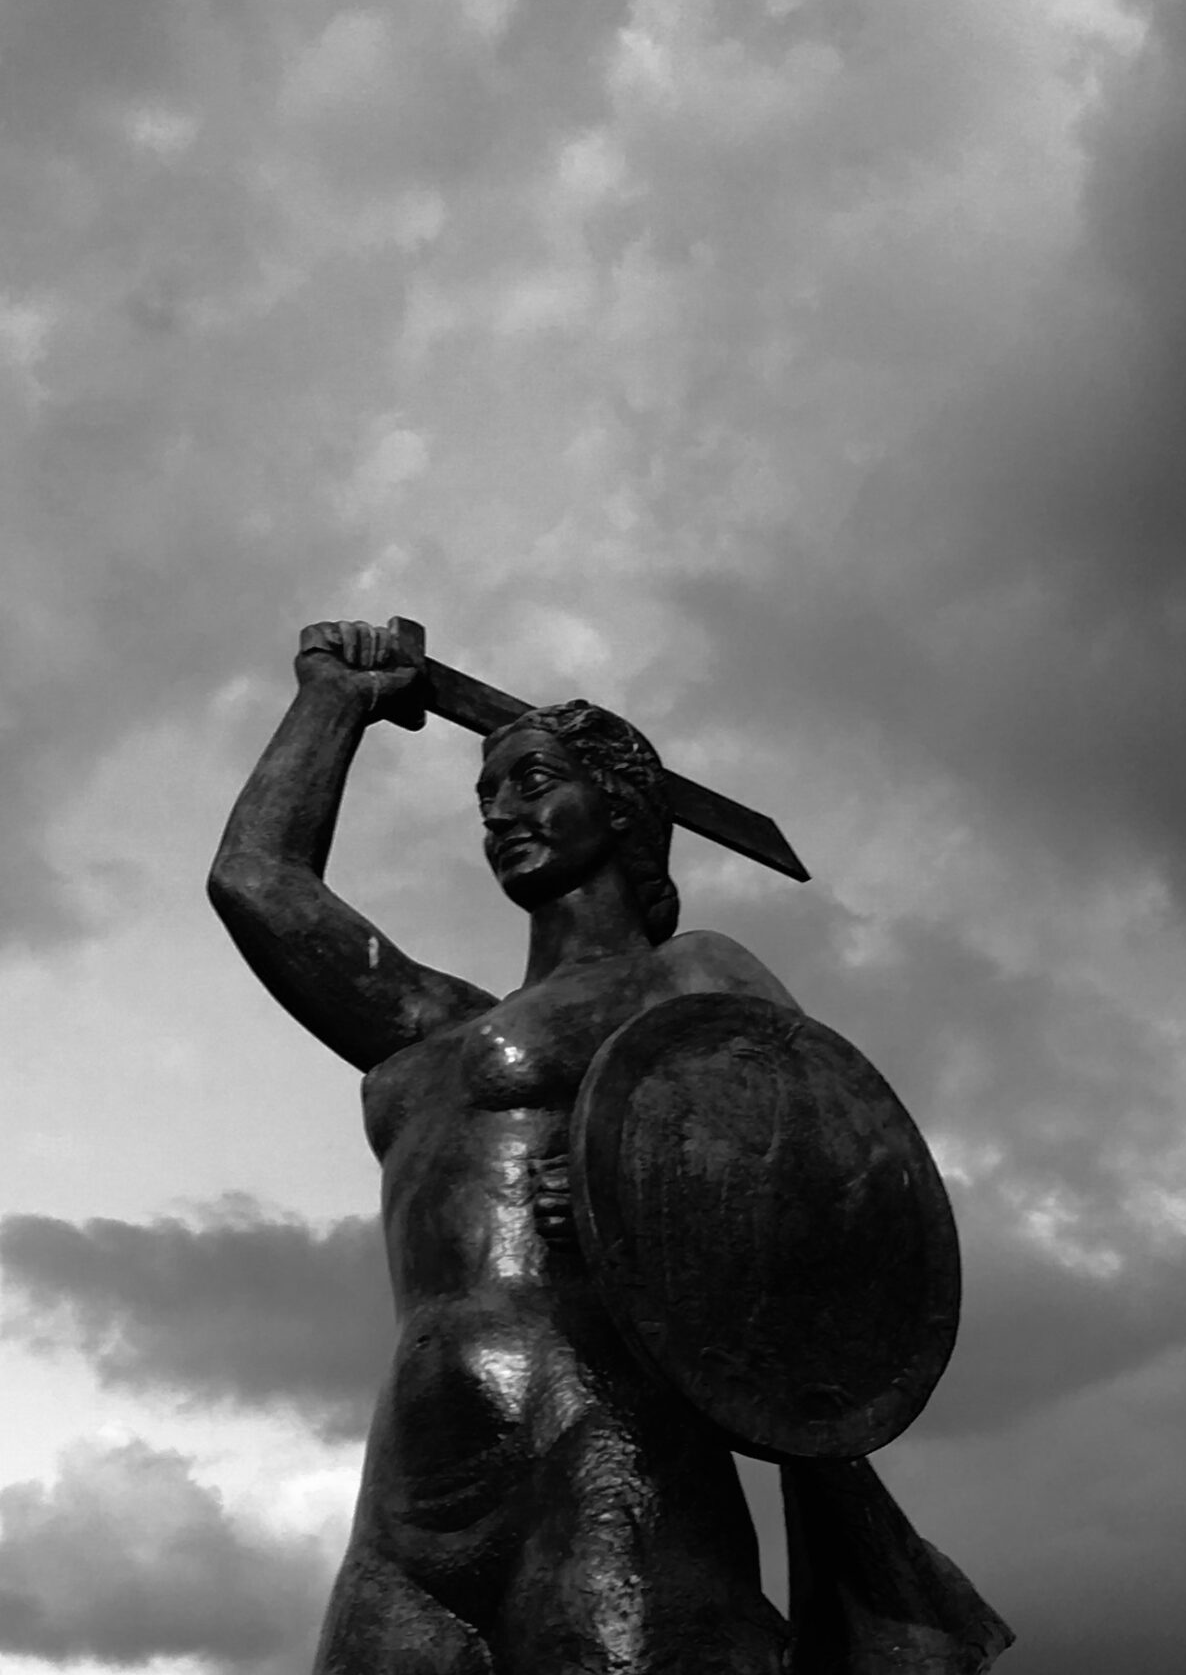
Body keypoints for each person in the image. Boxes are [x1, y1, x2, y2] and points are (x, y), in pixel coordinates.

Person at [209, 618, 1010, 1675]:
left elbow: (828, 1176)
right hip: (416, 1483)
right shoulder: (434, 1024)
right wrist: (334, 701)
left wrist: (640, 1195)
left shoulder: (687, 977)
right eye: (487, 793)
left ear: (621, 806)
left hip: (605, 1457)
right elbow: (255, 880)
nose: (501, 811)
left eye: (532, 780)